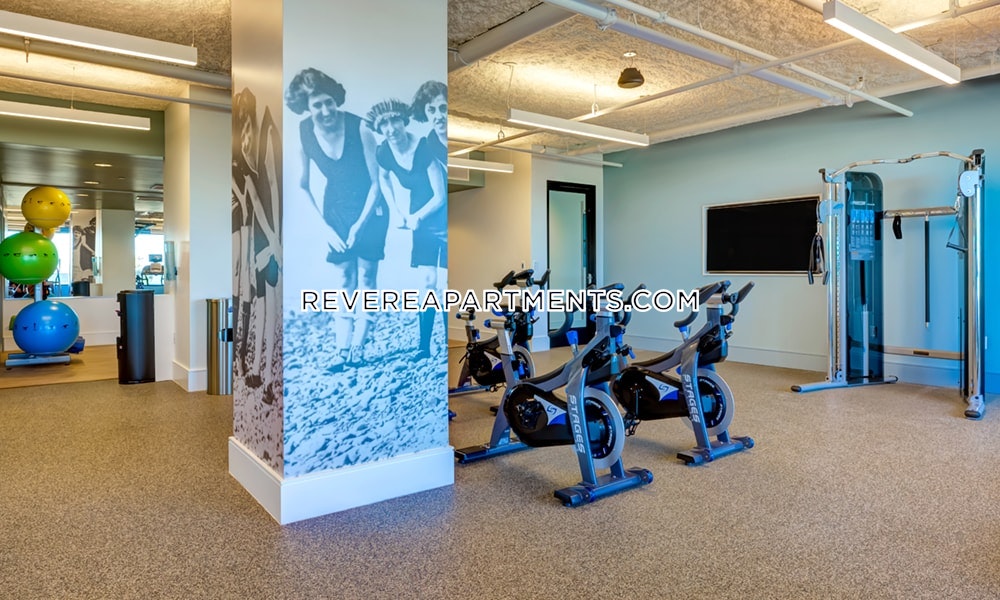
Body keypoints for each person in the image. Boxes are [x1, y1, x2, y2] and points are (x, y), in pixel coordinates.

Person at [286, 68, 388, 371]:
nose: (325, 110)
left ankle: (359, 346)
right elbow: (302, 186)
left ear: (336, 100)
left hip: (370, 210)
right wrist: (325, 229)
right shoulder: (304, 132)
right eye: (317, 105)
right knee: (344, 280)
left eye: (329, 102)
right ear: (307, 106)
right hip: (335, 211)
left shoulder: (361, 127)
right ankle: (342, 348)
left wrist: (359, 226)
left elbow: (377, 184)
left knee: (367, 279)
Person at [367, 92, 447, 360]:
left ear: (403, 122)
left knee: (445, 284)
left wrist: (416, 217)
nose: (391, 129)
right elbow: (384, 179)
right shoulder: (384, 152)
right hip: (418, 218)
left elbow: (440, 196)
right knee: (428, 283)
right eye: (384, 125)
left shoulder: (424, 149)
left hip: (441, 217)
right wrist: (398, 211)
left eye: (394, 122)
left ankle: (448, 345)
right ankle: (424, 348)